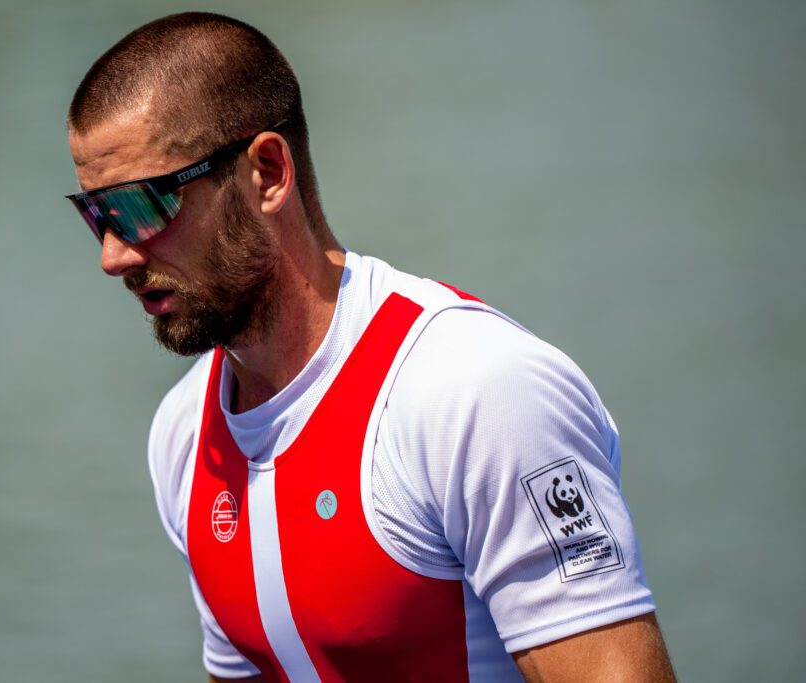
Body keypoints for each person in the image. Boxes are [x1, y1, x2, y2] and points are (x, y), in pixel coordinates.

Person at [64, 12, 676, 683]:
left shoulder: (477, 392)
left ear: (267, 172)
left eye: (141, 206)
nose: (113, 254)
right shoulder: (185, 437)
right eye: (95, 212)